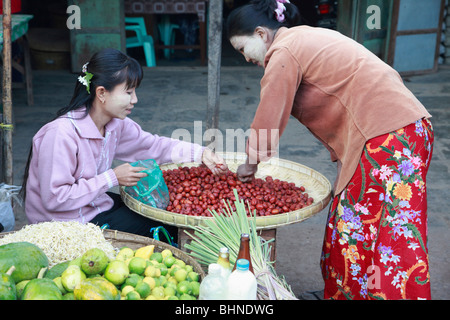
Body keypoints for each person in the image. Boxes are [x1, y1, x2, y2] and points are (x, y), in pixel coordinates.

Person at [226, 0, 434, 300]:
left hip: (390, 139)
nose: (245, 58)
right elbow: (345, 98)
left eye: (242, 49)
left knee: (391, 234)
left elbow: (269, 114)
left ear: (261, 34)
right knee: (351, 223)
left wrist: (251, 162)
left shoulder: (284, 51)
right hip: (401, 134)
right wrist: (343, 163)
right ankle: (347, 294)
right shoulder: (304, 38)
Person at [21, 48, 228, 242]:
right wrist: (112, 177)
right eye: (128, 92)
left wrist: (201, 153)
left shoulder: (115, 124)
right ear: (101, 93)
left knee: (165, 213)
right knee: (161, 228)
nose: (134, 100)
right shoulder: (60, 135)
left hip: (93, 206)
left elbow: (154, 147)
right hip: (63, 227)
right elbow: (55, 199)